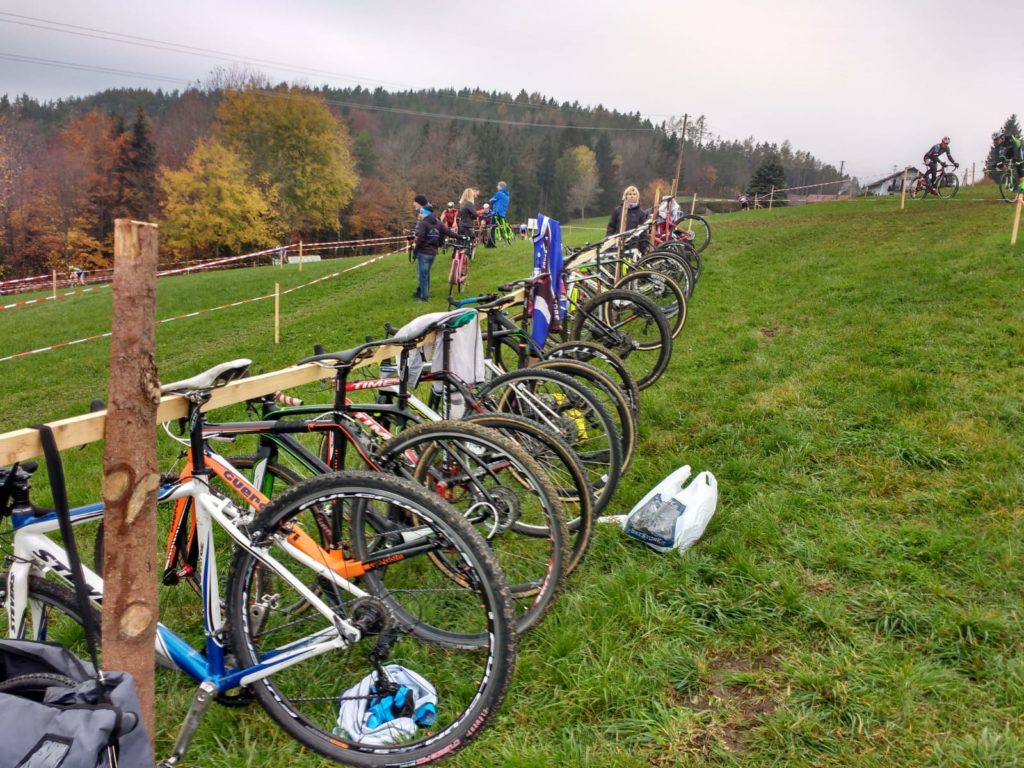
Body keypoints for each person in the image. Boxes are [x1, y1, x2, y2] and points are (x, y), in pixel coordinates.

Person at [412, 203, 459, 302]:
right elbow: (448, 232)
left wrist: (415, 251)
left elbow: (420, 239)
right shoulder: (438, 222)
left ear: (425, 213)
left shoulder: (423, 224)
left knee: (423, 276)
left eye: (421, 213)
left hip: (423, 252)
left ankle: (424, 298)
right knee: (426, 274)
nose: (420, 215)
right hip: (433, 253)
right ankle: (425, 293)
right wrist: (460, 236)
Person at [606, 185, 650, 252]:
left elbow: (643, 233)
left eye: (634, 194)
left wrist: (643, 248)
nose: (632, 196)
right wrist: (609, 241)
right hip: (617, 245)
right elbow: (611, 227)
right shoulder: (617, 210)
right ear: (625, 196)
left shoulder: (641, 213)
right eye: (629, 194)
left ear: (637, 197)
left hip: (633, 246)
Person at [487, 181, 510, 247]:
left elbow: (491, 201)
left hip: (496, 213)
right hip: (502, 214)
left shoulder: (499, 193)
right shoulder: (507, 195)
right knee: (500, 228)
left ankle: (491, 244)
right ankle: (506, 241)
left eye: (498, 186)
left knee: (491, 228)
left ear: (501, 187)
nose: (497, 187)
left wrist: (491, 200)